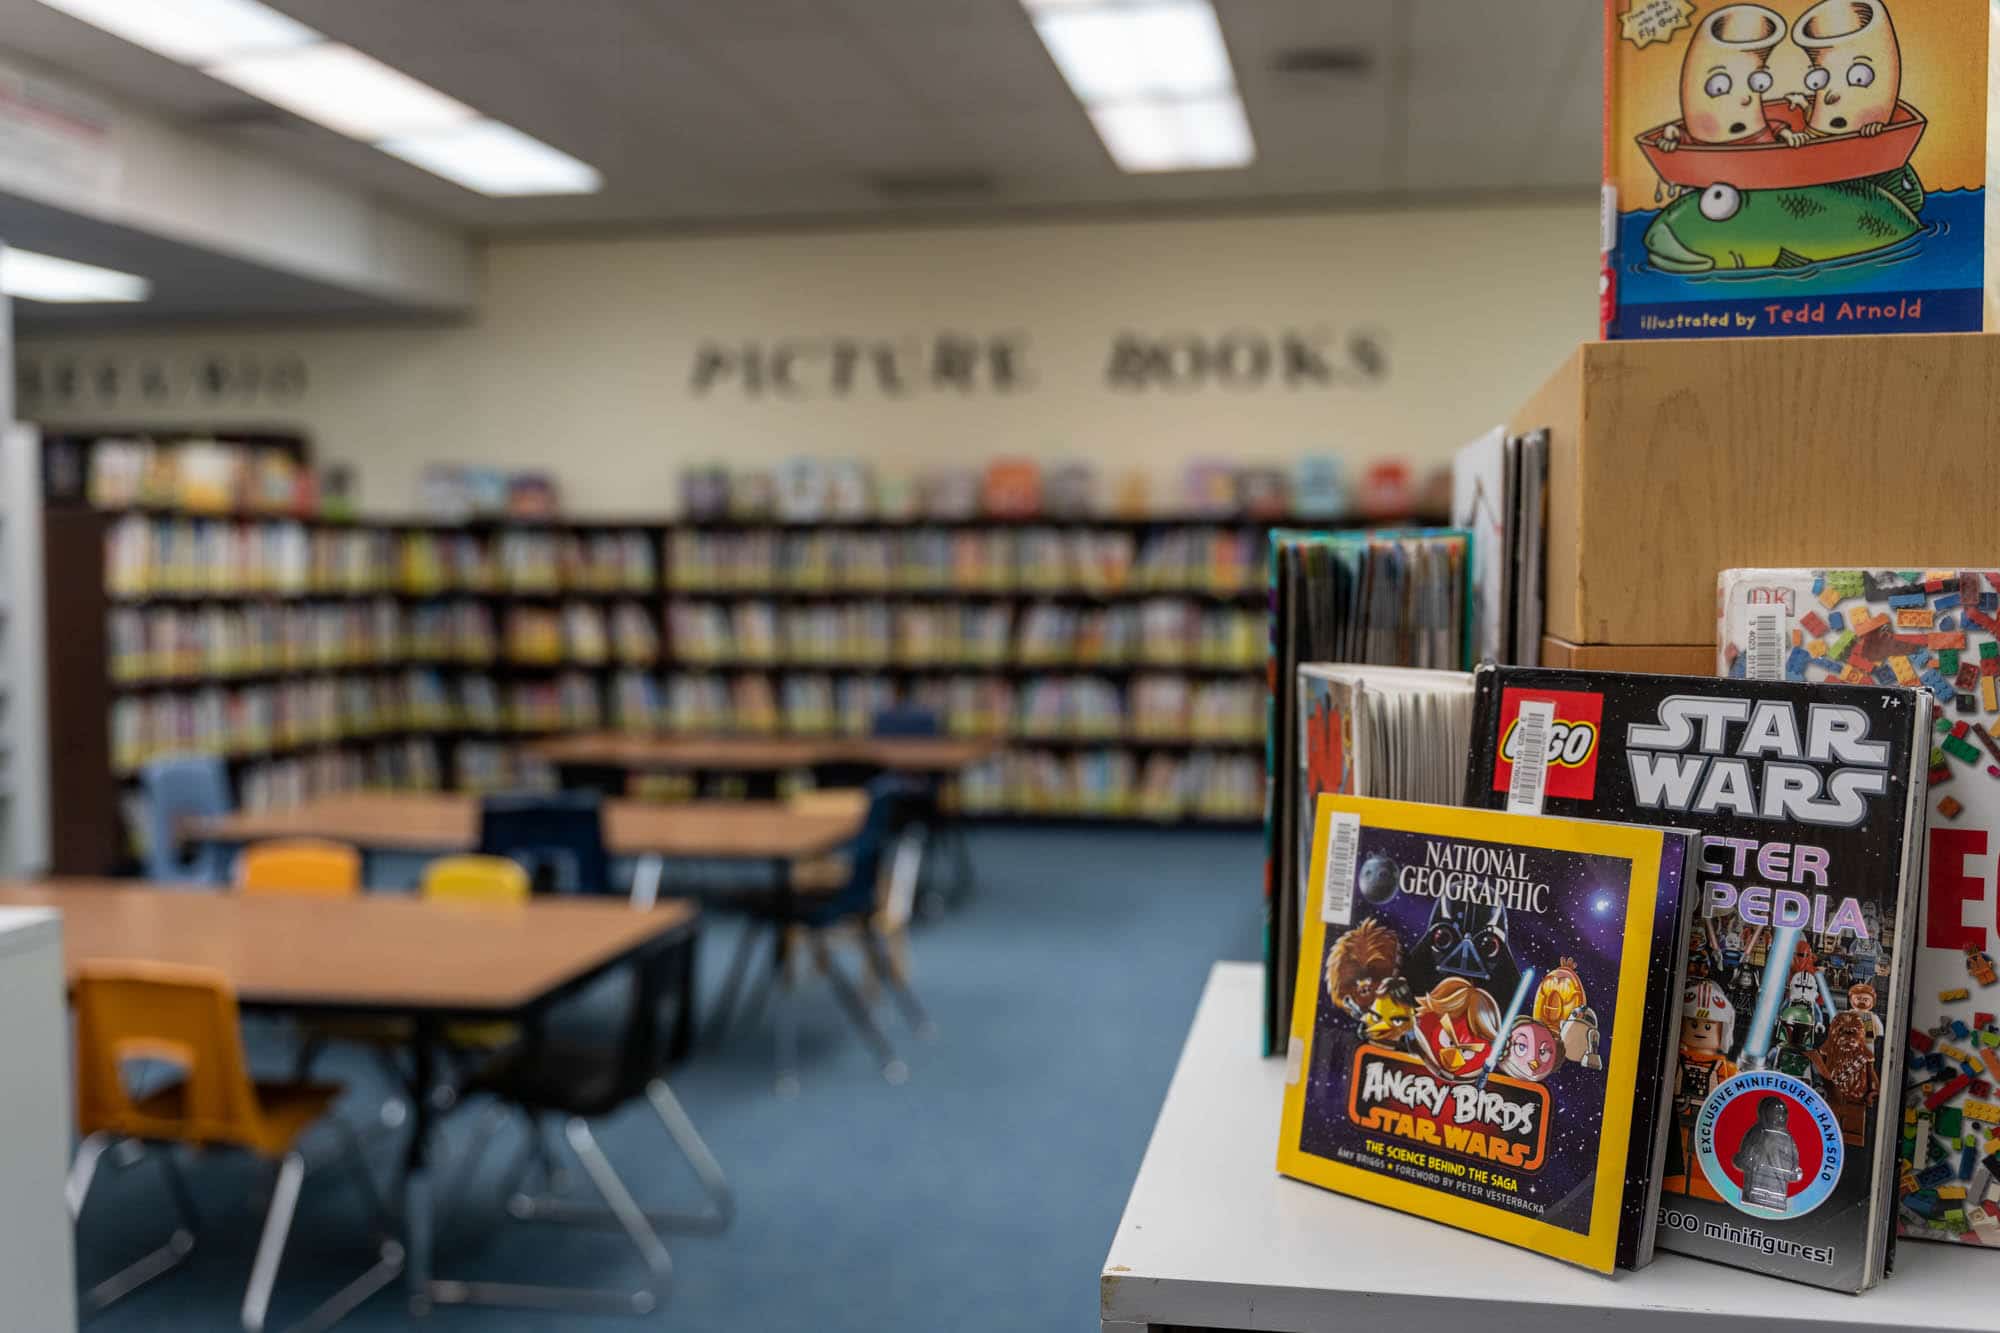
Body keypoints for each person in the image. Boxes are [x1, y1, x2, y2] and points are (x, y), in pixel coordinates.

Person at [1660, 5, 1788, 151]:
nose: (1746, 98)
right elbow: (1688, 140)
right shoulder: (1700, 137)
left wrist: (1786, 134)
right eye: (1719, 87)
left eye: (1759, 83)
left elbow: (1775, 128)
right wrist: (1673, 136)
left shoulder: (1760, 129)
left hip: (1762, 144)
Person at [1734, 1096, 1804, 1211]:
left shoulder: (1756, 1133)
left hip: (1753, 1199)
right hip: (1778, 1202)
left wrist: (1736, 1158)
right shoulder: (1789, 1140)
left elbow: (1744, 1162)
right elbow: (1794, 1175)